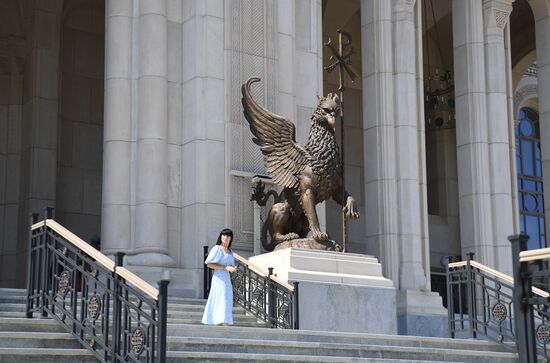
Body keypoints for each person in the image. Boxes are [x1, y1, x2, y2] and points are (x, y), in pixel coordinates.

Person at [201, 228, 237, 326]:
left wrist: (232, 268)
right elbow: (209, 264)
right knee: (220, 299)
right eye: (224, 235)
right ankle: (218, 321)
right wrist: (225, 268)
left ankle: (226, 322)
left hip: (227, 279)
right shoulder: (217, 248)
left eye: (228, 236)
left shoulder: (230, 252)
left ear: (231, 238)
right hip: (218, 278)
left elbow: (231, 265)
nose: (225, 237)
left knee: (227, 299)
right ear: (221, 237)